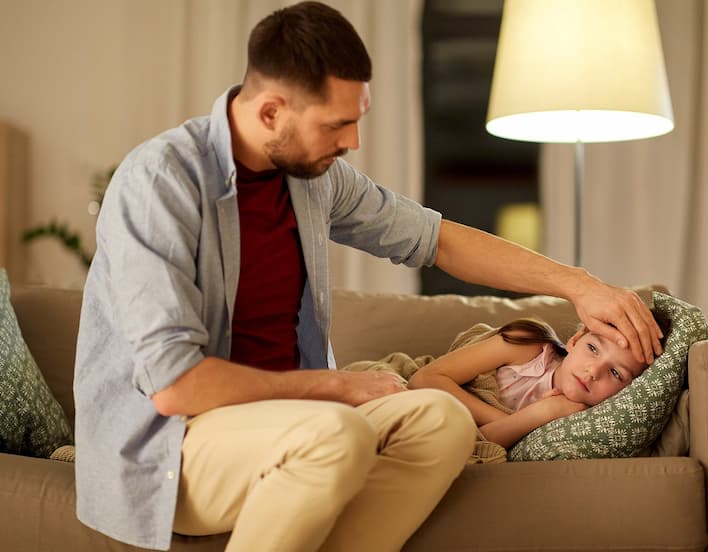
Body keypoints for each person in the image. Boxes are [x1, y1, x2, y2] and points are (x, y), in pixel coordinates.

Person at [73, 2, 664, 551]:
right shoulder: (161, 183)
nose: (352, 142)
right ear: (272, 111)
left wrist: (578, 284)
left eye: (356, 120)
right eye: (336, 125)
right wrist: (336, 387)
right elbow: (176, 386)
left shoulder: (314, 177)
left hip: (294, 420)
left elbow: (437, 239)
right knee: (335, 433)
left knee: (442, 422)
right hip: (176, 443)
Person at [409, 315, 670, 449]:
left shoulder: (582, 423)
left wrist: (543, 415)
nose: (593, 371)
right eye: (593, 348)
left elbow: (473, 444)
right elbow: (424, 379)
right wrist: (532, 416)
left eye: (616, 374)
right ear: (576, 339)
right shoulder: (529, 345)